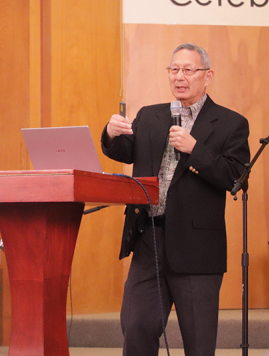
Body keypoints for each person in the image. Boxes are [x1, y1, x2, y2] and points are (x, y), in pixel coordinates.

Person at [102, 43, 250, 356]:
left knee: (198, 344)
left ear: (207, 76)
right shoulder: (151, 115)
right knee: (136, 327)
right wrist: (111, 133)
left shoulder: (230, 123)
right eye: (174, 69)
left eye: (188, 70)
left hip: (197, 249)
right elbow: (124, 151)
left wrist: (195, 149)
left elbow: (235, 177)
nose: (179, 77)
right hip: (149, 241)